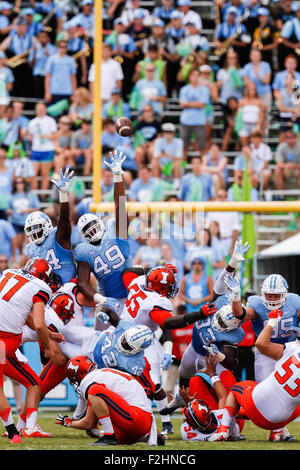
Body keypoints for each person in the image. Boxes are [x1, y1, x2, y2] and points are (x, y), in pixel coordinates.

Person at [121, 263, 218, 434]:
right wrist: (198, 314)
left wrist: (153, 270)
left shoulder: (138, 282)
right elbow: (169, 322)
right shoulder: (156, 300)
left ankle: (165, 423)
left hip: (127, 336)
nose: (172, 288)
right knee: (149, 384)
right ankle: (144, 422)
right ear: (161, 287)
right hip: (139, 339)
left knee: (150, 383)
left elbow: (128, 271)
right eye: (169, 285)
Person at [229, 270, 300, 441]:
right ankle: (274, 429)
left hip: (288, 350)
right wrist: (236, 296)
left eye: (277, 296)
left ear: (285, 294)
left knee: (287, 392)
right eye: (269, 295)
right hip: (265, 351)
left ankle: (278, 431)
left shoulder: (294, 301)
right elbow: (240, 314)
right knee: (265, 390)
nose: (273, 299)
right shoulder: (257, 304)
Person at [209, 309, 300, 441]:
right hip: (279, 420)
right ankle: (277, 432)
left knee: (237, 388)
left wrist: (272, 322)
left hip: (257, 407)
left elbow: (260, 344)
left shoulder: (294, 347)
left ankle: (223, 430)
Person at [0, 258, 63, 443]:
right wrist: (49, 348)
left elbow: (20, 314)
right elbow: (38, 324)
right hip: (6, 341)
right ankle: (13, 432)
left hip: (7, 342)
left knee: (33, 382)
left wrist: (49, 335)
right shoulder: (41, 288)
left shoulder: (9, 272)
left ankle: (16, 430)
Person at [74, 151, 131, 327]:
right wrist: (102, 299)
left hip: (131, 298)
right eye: (87, 230)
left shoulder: (116, 231)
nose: (92, 231)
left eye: (94, 226)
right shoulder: (83, 250)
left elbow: (120, 205)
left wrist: (117, 177)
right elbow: (82, 282)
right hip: (107, 301)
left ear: (101, 223)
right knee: (101, 343)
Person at [56, 360, 158, 446]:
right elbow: (89, 421)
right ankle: (145, 437)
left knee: (94, 390)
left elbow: (88, 422)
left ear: (80, 374)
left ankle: (109, 436)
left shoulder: (89, 380)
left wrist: (70, 422)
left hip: (135, 418)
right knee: (118, 438)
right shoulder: (103, 374)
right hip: (144, 423)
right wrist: (69, 423)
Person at [24, 168, 77, 285]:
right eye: (31, 230)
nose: (34, 233)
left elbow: (64, 220)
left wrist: (63, 194)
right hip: (45, 290)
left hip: (66, 288)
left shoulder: (57, 236)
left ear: (47, 225)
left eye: (38, 229)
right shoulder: (30, 248)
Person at [180, 356, 243, 441]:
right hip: (231, 422)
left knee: (195, 381)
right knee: (226, 375)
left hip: (216, 423)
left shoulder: (187, 433)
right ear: (209, 410)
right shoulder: (222, 417)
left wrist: (188, 403)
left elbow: (189, 418)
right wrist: (212, 374)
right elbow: (223, 397)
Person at [7, 178, 41, 265]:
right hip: (16, 222)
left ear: (24, 184)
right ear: (15, 185)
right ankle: (22, 264)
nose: (19, 184)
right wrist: (9, 211)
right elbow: (8, 208)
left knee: (28, 245)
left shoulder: (31, 194)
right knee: (18, 245)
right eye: (17, 182)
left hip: (28, 223)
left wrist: (27, 211)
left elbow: (38, 208)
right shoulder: (12, 196)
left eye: (21, 182)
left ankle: (30, 262)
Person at [179, 68, 210, 158]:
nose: (195, 77)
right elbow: (182, 105)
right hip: (186, 121)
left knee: (202, 147)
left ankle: (203, 168)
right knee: (184, 147)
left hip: (199, 121)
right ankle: (182, 168)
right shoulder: (184, 89)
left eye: (197, 75)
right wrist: (195, 103)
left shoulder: (204, 89)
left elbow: (202, 104)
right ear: (189, 77)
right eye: (193, 75)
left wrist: (188, 103)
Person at [26, 102, 57, 193]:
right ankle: (35, 195)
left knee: (45, 174)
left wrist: (46, 136)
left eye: (41, 109)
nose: (39, 111)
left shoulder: (50, 121)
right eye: (38, 109)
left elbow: (54, 136)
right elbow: (31, 137)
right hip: (36, 150)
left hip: (47, 150)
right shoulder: (32, 122)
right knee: (33, 174)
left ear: (45, 110)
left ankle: (43, 195)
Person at [205, 189, 240, 255]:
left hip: (228, 241)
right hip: (214, 241)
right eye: (220, 196)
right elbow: (207, 228)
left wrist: (232, 247)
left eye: (225, 196)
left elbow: (236, 230)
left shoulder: (232, 209)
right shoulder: (212, 209)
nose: (223, 198)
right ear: (216, 197)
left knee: (228, 263)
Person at [44, 39, 77, 105]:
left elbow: (73, 77)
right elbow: (48, 76)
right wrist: (47, 92)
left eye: (64, 47)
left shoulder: (71, 60)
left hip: (67, 91)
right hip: (54, 91)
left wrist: (74, 93)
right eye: (61, 47)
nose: (62, 49)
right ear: (57, 47)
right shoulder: (51, 59)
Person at [28, 29, 57, 99]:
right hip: (37, 76)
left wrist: (49, 56)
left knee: (48, 96)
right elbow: (31, 65)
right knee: (37, 96)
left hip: (49, 76)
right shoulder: (34, 48)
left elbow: (56, 64)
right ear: (38, 38)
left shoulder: (53, 49)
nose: (42, 39)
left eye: (44, 37)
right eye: (40, 37)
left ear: (48, 38)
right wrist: (34, 53)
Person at [236, 81, 266, 146]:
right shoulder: (242, 101)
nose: (253, 91)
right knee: (245, 146)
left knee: (256, 145)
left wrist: (258, 125)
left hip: (255, 125)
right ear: (248, 90)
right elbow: (238, 115)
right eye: (251, 89)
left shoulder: (259, 102)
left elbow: (261, 115)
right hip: (244, 125)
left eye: (254, 89)